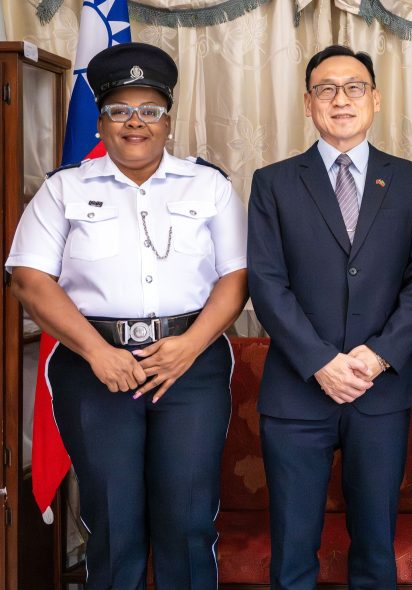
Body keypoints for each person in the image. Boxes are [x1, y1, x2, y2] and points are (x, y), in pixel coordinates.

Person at [5, 42, 248, 589]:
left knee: (188, 518)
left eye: (150, 111)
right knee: (114, 520)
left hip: (191, 363)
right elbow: (29, 280)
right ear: (101, 119)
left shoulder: (207, 185)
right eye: (119, 110)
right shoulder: (63, 188)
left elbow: (236, 279)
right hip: (93, 368)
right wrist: (97, 352)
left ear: (168, 119)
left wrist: (190, 347)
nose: (135, 123)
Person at [247, 45, 412, 590]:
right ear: (309, 103)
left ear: (374, 99)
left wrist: (377, 357)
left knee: (376, 547)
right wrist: (321, 361)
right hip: (297, 390)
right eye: (326, 89)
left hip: (381, 391)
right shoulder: (274, 182)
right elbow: (266, 281)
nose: (341, 99)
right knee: (293, 550)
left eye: (354, 87)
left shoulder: (411, 180)